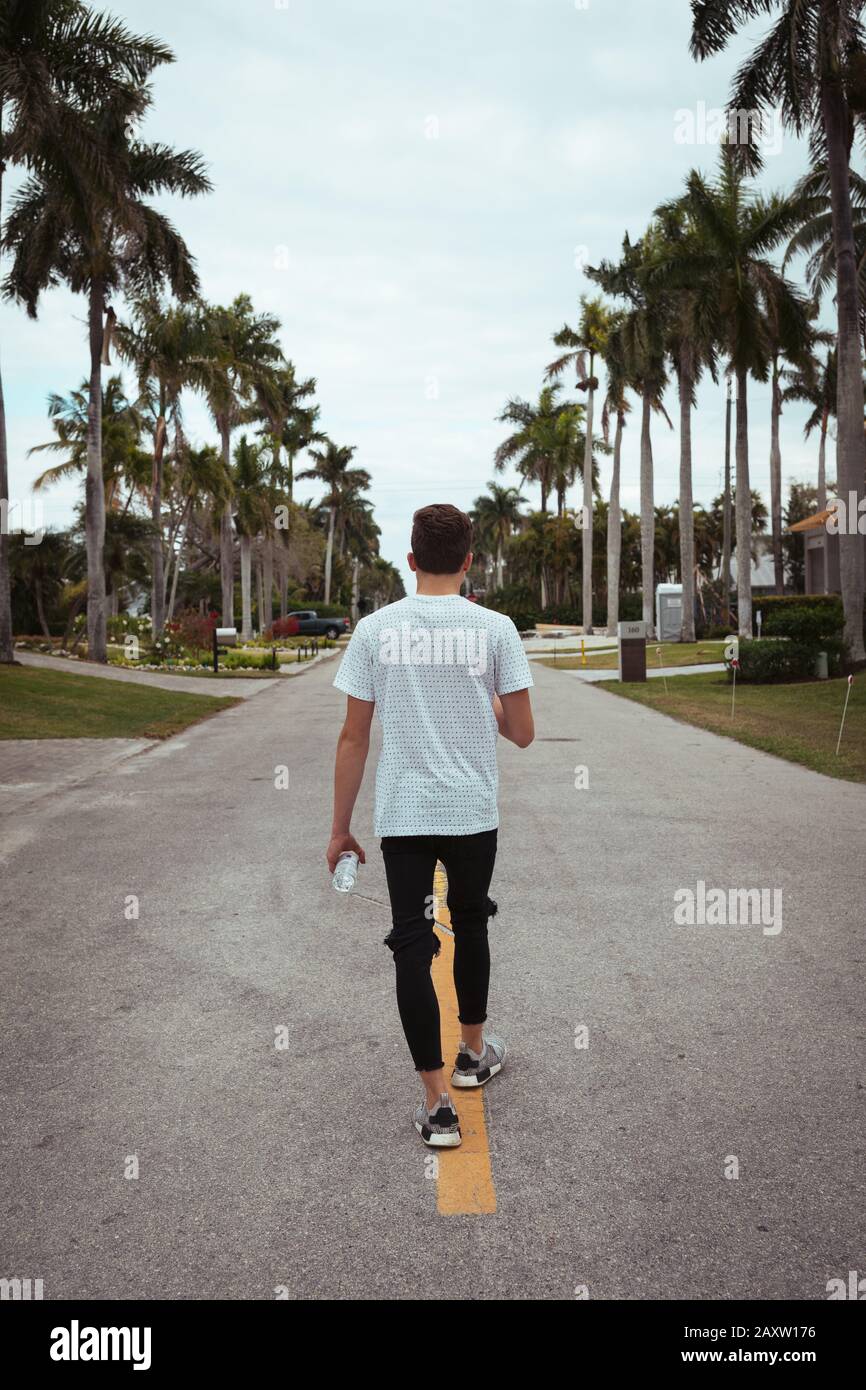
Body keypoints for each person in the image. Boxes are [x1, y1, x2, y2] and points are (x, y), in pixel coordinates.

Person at [326, 503, 534, 1146]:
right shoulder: (495, 628)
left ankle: (437, 1104)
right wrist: (487, 697)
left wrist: (340, 829)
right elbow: (523, 733)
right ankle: (472, 1057)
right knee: (471, 923)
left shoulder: (374, 630)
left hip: (405, 818)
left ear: (410, 560)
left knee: (413, 947)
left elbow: (354, 737)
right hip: (471, 815)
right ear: (469, 563)